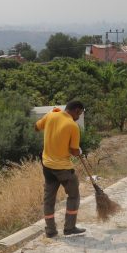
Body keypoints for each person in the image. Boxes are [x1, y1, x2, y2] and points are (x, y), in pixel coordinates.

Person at [35, 100, 87, 238]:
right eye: (80, 114)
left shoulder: (51, 115)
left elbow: (36, 127)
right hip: (63, 169)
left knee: (48, 200)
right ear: (76, 110)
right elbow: (74, 151)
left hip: (47, 166)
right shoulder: (72, 126)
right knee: (74, 196)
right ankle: (69, 229)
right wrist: (79, 151)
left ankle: (50, 231)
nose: (79, 117)